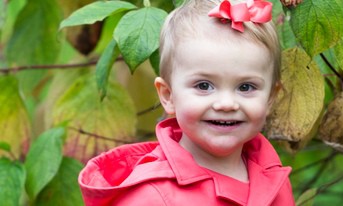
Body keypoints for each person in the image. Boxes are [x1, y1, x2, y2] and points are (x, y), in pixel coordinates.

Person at [78, 0, 294, 205]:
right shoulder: (152, 197)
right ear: (168, 95)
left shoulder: (272, 175)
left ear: (270, 98)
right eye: (204, 86)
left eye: (245, 87)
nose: (226, 103)